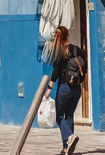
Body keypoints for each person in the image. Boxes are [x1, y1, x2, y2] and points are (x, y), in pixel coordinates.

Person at [45, 26, 87, 155]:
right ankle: (66, 147)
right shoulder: (77, 49)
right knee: (69, 116)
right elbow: (84, 68)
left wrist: (49, 88)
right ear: (67, 34)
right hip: (77, 88)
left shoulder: (59, 51)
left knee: (58, 115)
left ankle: (70, 136)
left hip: (64, 87)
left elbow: (56, 72)